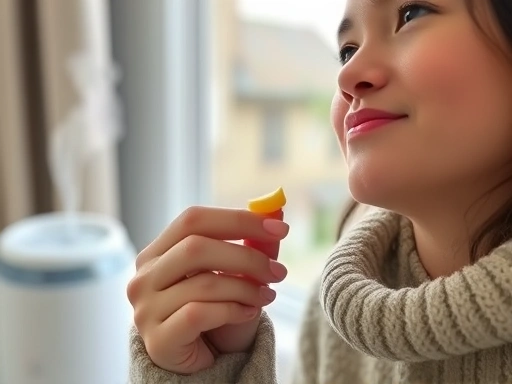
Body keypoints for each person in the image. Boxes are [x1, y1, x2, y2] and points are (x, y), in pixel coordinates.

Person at [126, 0, 512, 382]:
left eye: (411, 14)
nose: (347, 77)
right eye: (347, 51)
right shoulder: (333, 320)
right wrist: (216, 371)